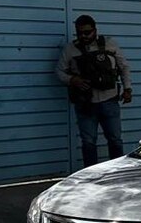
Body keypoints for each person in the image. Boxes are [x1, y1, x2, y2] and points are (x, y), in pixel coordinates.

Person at [56, 15, 133, 168]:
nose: (84, 36)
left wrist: (127, 88)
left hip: (109, 99)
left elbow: (124, 67)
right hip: (85, 103)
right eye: (80, 33)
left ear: (95, 30)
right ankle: (91, 175)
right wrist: (73, 80)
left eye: (87, 32)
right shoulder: (70, 49)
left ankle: (117, 173)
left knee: (115, 140)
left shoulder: (109, 44)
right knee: (88, 142)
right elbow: (59, 71)